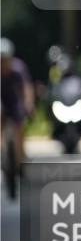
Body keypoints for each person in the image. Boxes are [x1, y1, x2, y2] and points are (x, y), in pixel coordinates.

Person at [1, 38, 34, 173]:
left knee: (19, 123)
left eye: (5, 59)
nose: (3, 63)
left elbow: (27, 87)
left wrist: (29, 104)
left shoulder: (18, 68)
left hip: (14, 101)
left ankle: (20, 157)